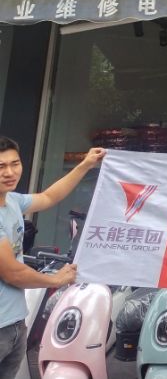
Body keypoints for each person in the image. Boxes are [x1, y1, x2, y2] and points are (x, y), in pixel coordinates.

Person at [0, 136, 106, 374]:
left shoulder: (12, 201)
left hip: (15, 323)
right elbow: (13, 273)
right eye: (1, 166)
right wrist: (55, 279)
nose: (9, 172)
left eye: (15, 164)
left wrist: (85, 165)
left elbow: (49, 197)